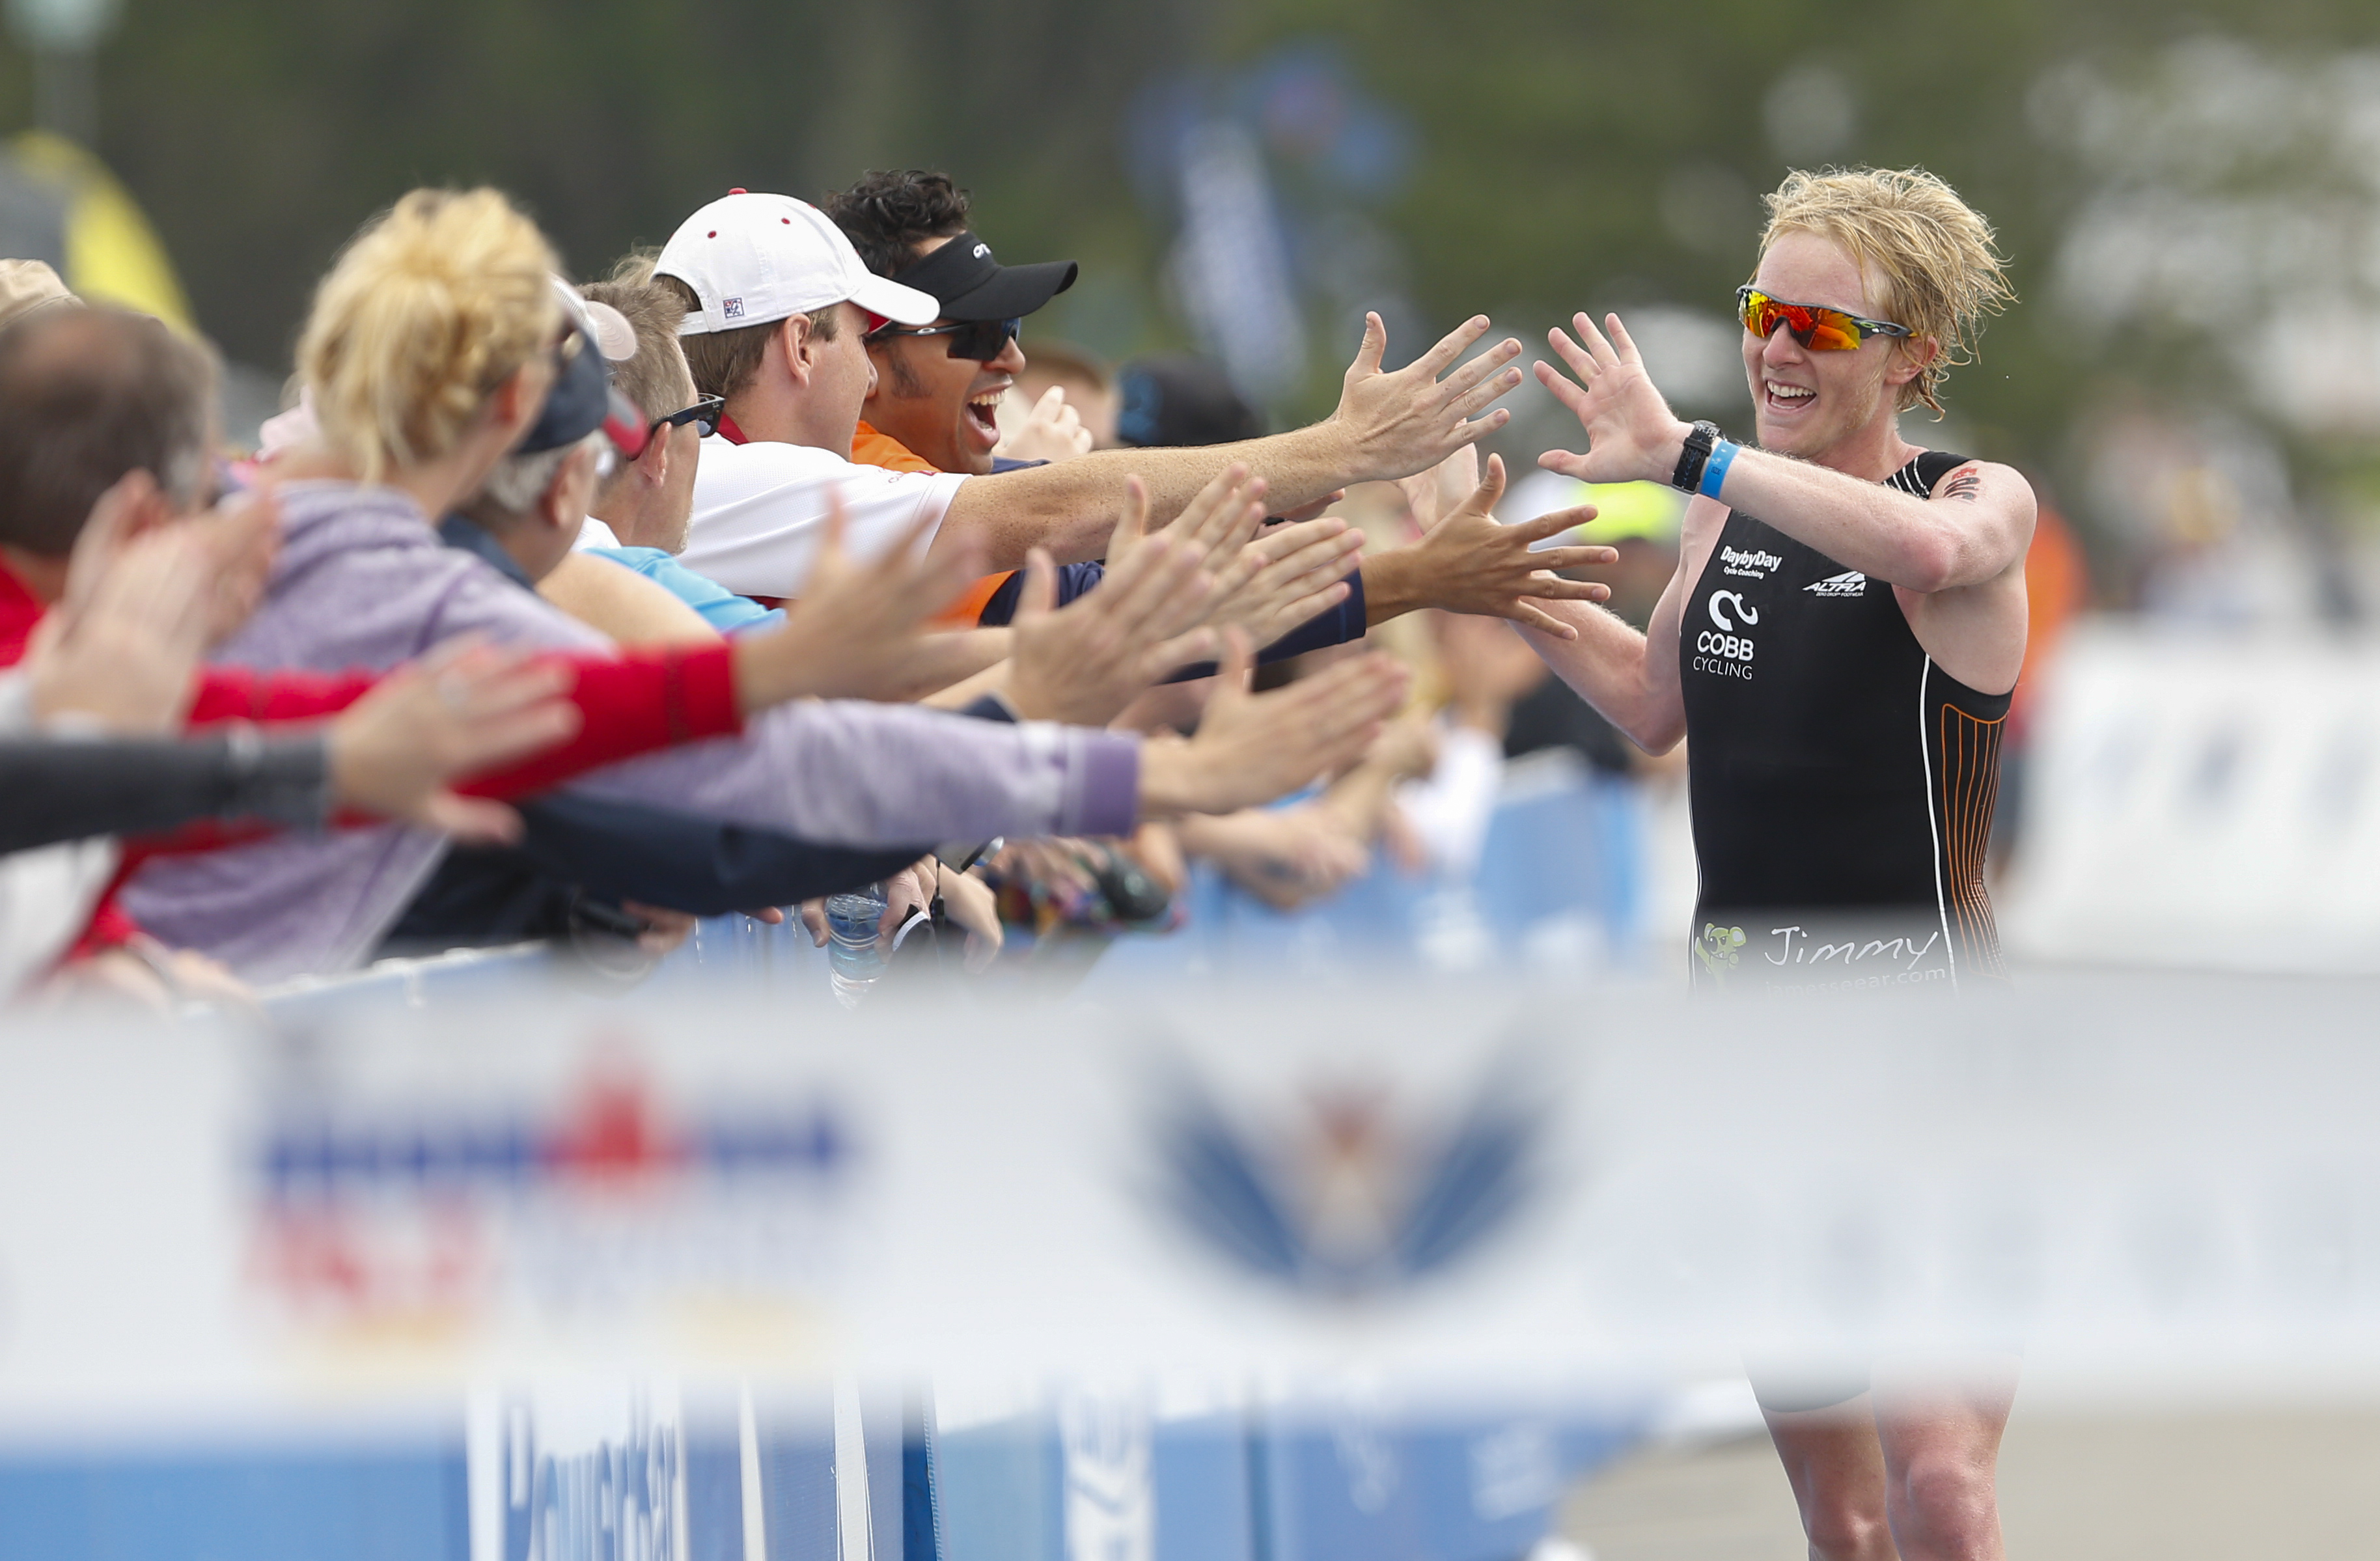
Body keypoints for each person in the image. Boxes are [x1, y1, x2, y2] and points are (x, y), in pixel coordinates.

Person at [117, 188, 1409, 981]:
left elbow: (712, 737)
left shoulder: (235, 525)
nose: (636, 462)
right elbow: (742, 812)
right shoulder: (448, 586)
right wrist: (1132, 766)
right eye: (619, 435)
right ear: (537, 441)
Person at [1520, 165, 2028, 1561]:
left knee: (1939, 1484)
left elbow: (1924, 548)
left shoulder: (1974, 497)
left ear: (1912, 355)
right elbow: (1651, 707)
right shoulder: (1717, 513)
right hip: (1751, 1052)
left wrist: (1691, 454)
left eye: (1823, 326)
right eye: (1764, 313)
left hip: (1934, 1048)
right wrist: (1492, 585)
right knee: (1845, 1522)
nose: (1779, 350)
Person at [657, 189, 1611, 645]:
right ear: (800, 346)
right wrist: (1344, 458)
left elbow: (1069, 567)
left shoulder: (752, 470)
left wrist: (1301, 501)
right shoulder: (730, 476)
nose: (1012, 358)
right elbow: (1071, 575)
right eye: (978, 331)